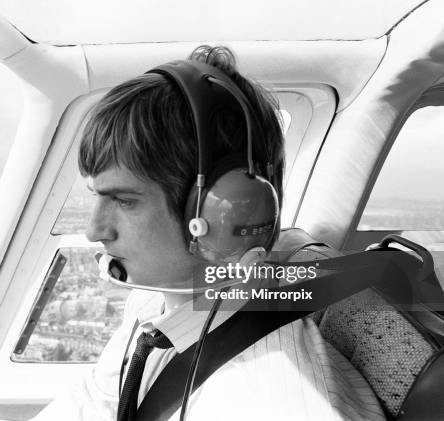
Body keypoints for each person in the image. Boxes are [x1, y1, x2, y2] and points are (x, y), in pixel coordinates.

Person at [32, 46, 385, 420]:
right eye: (97, 197)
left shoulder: (266, 402)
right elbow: (93, 402)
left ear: (219, 213)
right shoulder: (154, 306)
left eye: (123, 200)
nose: (94, 231)